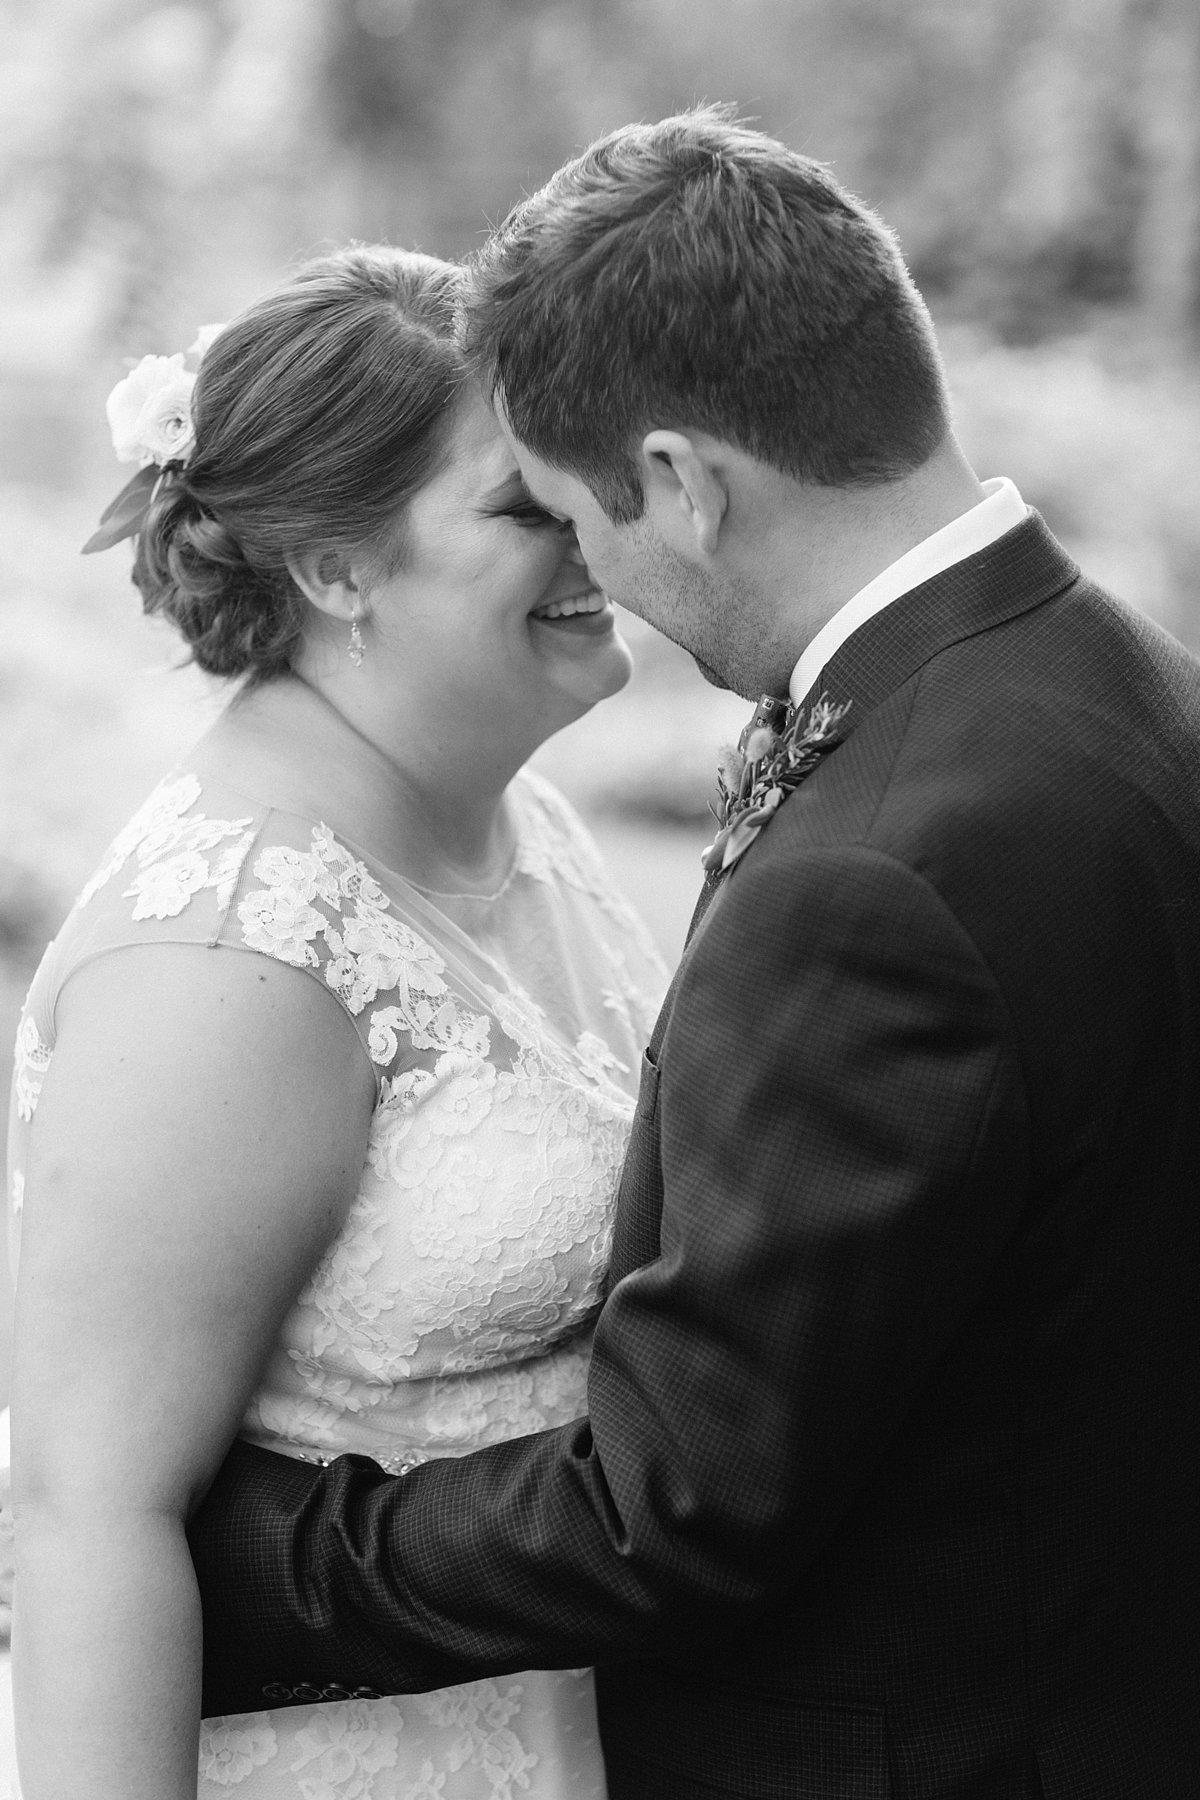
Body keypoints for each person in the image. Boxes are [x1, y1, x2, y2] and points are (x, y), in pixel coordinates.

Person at [185, 109, 1200, 1799]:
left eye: (580, 516)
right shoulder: (1125, 687)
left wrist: (260, 1552)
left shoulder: (878, 872)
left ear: (680, 481)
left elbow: (679, 1510)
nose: (589, 571)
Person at [3, 244, 667, 1799]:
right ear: (338, 570)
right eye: (525, 505)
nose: (603, 526)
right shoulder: (229, 956)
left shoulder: (528, 828)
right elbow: (88, 1513)